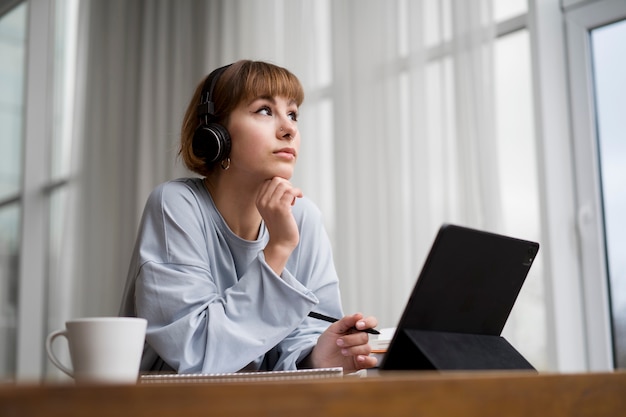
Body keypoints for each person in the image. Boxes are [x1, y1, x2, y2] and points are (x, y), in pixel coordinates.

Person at [119, 60, 378, 374]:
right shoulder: (176, 204)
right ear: (215, 133)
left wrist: (316, 357)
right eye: (265, 110)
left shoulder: (304, 217)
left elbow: (305, 333)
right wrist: (278, 248)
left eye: (293, 113)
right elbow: (198, 353)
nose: (289, 129)